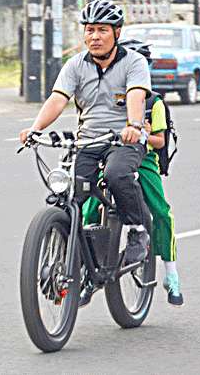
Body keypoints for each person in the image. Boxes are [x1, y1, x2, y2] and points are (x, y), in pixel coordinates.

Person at [18, 0, 152, 268]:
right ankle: (76, 265)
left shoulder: (134, 62)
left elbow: (136, 96)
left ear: (117, 32)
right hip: (88, 141)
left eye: (102, 30)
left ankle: (138, 228)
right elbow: (58, 99)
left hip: (123, 140)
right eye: (89, 30)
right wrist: (35, 129)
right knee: (70, 195)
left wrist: (134, 126)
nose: (95, 37)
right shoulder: (75, 65)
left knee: (116, 174)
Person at [81, 93, 184, 306]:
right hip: (111, 158)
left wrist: (144, 134)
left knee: (161, 212)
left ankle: (171, 273)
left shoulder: (154, 103)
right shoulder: (108, 95)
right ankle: (87, 269)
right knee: (89, 206)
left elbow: (159, 141)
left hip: (144, 160)